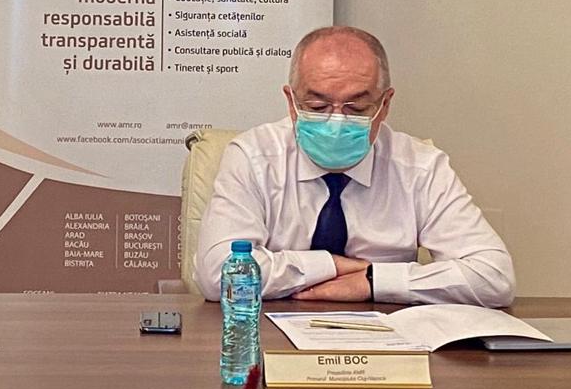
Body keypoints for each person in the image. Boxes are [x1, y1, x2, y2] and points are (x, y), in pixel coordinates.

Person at [193, 26, 515, 307]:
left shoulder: (420, 168)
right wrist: (331, 266)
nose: (336, 121)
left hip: (389, 342)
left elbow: (495, 277)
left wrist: (374, 281)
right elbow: (218, 274)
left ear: (384, 105)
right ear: (291, 103)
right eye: (318, 105)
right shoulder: (253, 157)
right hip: (266, 337)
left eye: (357, 107)